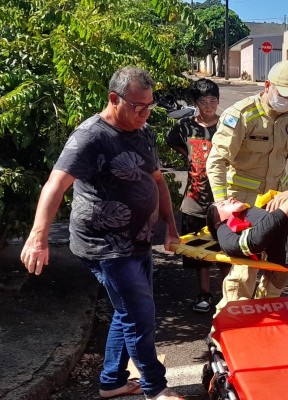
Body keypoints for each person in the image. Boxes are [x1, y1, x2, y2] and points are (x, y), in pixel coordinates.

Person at [19, 67, 183, 400]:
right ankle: (155, 389)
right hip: (105, 245)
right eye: (139, 107)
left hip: (138, 241)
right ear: (114, 99)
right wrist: (38, 236)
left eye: (150, 106)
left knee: (128, 311)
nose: (145, 113)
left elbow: (157, 181)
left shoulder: (143, 132)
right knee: (139, 315)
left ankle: (111, 382)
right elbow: (55, 184)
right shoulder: (90, 136)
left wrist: (172, 230)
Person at [206, 61, 288, 312]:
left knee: (284, 261)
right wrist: (222, 203)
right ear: (267, 86)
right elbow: (216, 161)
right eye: (283, 94)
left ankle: (266, 309)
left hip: (279, 200)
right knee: (244, 270)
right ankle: (228, 327)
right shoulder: (243, 115)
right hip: (243, 202)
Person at [166, 78, 230, 313]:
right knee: (201, 251)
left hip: (222, 198)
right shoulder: (185, 126)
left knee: (225, 249)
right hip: (194, 198)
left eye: (213, 100)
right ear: (196, 103)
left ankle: (228, 295)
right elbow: (172, 141)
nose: (209, 105)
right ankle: (204, 294)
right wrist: (188, 156)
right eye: (203, 101)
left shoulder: (226, 126)